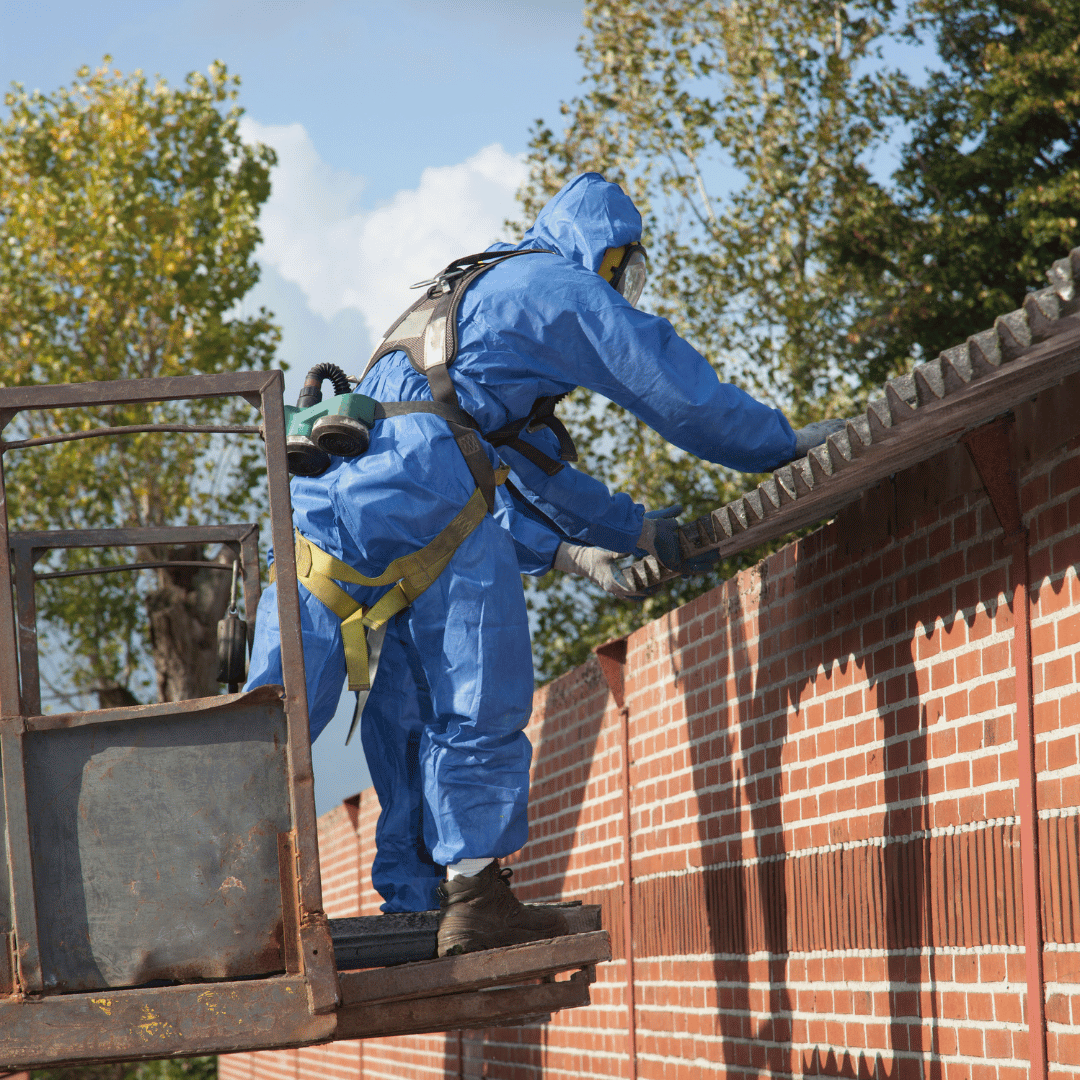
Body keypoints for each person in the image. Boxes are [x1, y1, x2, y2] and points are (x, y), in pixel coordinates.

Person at [246, 172, 842, 956]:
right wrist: (772, 445)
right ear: (605, 248)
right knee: (474, 687)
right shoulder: (561, 286)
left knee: (283, 711)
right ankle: (476, 896)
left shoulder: (470, 290)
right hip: (428, 487)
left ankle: (255, 889)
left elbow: (512, 460)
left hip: (323, 509)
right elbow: (670, 384)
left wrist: (620, 534)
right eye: (623, 268)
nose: (622, 286)